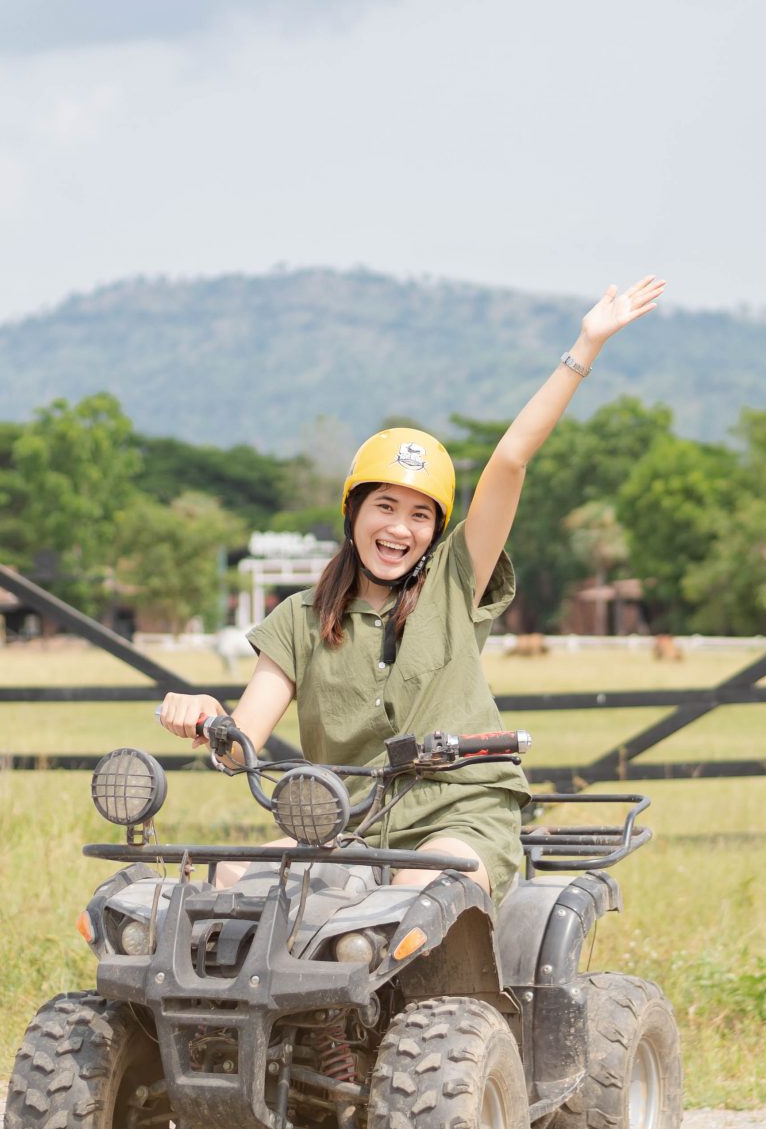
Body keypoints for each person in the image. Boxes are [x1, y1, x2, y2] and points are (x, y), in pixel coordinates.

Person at [157, 277, 667, 897]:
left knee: (423, 888)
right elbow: (241, 748)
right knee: (230, 878)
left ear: (435, 531)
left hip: (460, 815)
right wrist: (207, 718)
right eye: (385, 506)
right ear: (354, 513)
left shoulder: (457, 583)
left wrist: (584, 347)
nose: (400, 528)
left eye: (420, 515)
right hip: (345, 823)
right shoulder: (299, 619)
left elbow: (509, 462)